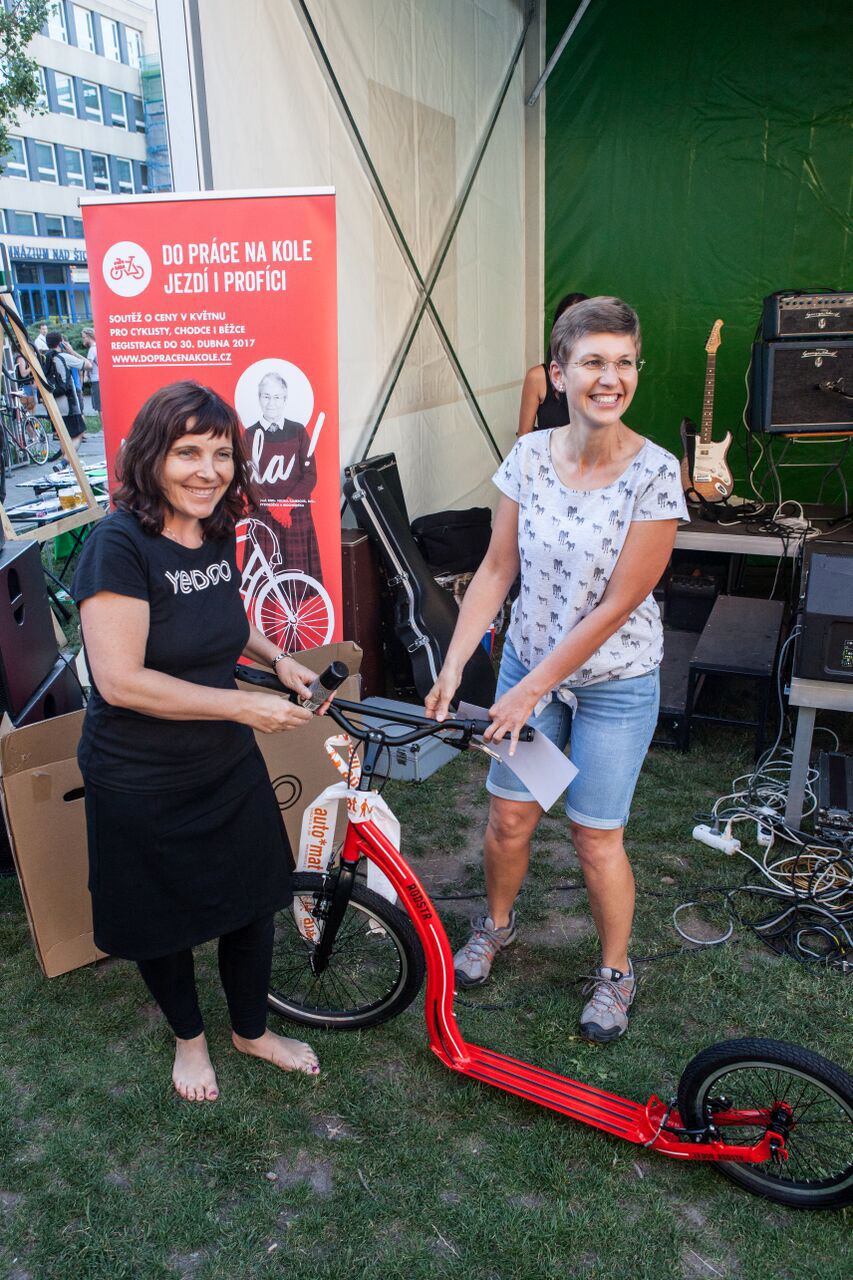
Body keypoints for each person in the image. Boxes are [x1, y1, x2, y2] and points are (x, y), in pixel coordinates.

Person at [426, 297, 688, 1044]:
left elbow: (615, 606)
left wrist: (526, 691)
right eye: (593, 362)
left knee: (593, 834)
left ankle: (614, 972)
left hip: (614, 686)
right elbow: (495, 569)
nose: (610, 378)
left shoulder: (655, 474)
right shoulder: (528, 459)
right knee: (509, 819)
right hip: (524, 675)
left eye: (623, 362)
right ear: (559, 372)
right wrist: (453, 669)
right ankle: (496, 926)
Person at [72, 381, 327, 1102]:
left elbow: (222, 613)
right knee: (163, 920)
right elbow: (120, 681)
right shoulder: (118, 546)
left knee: (253, 898)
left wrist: (274, 657)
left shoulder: (213, 527)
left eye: (221, 453)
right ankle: (190, 1041)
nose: (207, 470)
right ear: (152, 457)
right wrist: (242, 707)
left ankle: (250, 1029)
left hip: (220, 762)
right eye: (188, 451)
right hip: (141, 775)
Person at [243, 370, 323, 581]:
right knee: (265, 585)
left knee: (298, 585)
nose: (271, 403)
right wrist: (272, 507)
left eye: (277, 397)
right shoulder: (249, 434)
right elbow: (248, 478)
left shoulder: (298, 431)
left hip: (295, 515)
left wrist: (287, 505)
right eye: (266, 396)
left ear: (285, 399)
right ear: (259, 398)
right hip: (264, 517)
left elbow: (310, 474)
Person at [517, 292, 588, 436]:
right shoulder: (538, 377)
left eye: (583, 323)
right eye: (568, 324)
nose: (575, 332)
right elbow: (524, 435)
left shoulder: (602, 375)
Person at [41, 330, 91, 463]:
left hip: (52, 404)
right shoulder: (63, 357)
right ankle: (65, 461)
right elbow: (88, 365)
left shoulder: (44, 359)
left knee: (64, 436)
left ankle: (66, 467)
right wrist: (71, 351)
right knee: (79, 434)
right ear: (61, 343)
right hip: (69, 404)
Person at [81, 327, 100, 413]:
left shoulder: (92, 350)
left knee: (99, 407)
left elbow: (89, 365)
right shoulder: (98, 347)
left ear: (89, 337)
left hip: (96, 379)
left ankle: (103, 426)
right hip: (100, 378)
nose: (83, 339)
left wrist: (85, 376)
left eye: (84, 337)